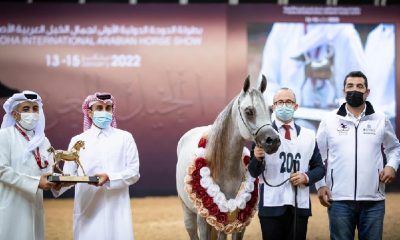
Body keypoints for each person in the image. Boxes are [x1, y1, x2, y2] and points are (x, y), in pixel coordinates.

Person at [315, 71, 400, 240]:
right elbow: (317, 156)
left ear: (367, 92)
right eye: (350, 86)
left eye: (359, 86)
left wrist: (392, 165)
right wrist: (320, 185)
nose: (354, 90)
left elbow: (394, 148)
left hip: (373, 200)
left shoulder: (381, 119)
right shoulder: (329, 120)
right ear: (343, 91)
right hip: (338, 200)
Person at [59, 92, 140, 240]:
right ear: (89, 113)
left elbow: (134, 173)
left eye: (108, 108)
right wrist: (57, 184)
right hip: (88, 208)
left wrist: (110, 177)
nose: (104, 112)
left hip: (117, 209)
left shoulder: (125, 138)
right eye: (99, 108)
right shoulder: (78, 140)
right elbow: (68, 175)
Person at [248, 87, 325, 240]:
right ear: (273, 107)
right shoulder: (263, 134)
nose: (284, 105)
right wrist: (257, 158)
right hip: (271, 205)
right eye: (280, 102)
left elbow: (320, 168)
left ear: (296, 107)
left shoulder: (308, 135)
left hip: (299, 205)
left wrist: (306, 177)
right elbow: (253, 172)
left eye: (289, 102)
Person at [0, 90, 56, 240]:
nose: (32, 113)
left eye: (35, 109)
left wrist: (59, 182)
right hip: (11, 204)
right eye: (26, 109)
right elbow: (2, 171)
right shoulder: (4, 136)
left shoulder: (43, 141)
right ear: (14, 114)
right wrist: (36, 182)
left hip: (35, 206)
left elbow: (48, 172)